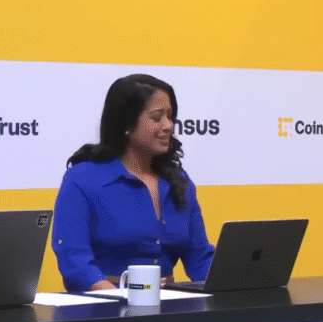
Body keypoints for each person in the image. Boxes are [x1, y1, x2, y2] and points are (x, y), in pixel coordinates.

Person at [53, 74, 215, 292]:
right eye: (157, 118)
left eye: (170, 117)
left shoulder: (180, 181)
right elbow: (75, 260)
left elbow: (199, 257)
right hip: (104, 304)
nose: (168, 125)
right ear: (126, 123)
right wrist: (122, 299)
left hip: (169, 304)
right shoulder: (82, 179)